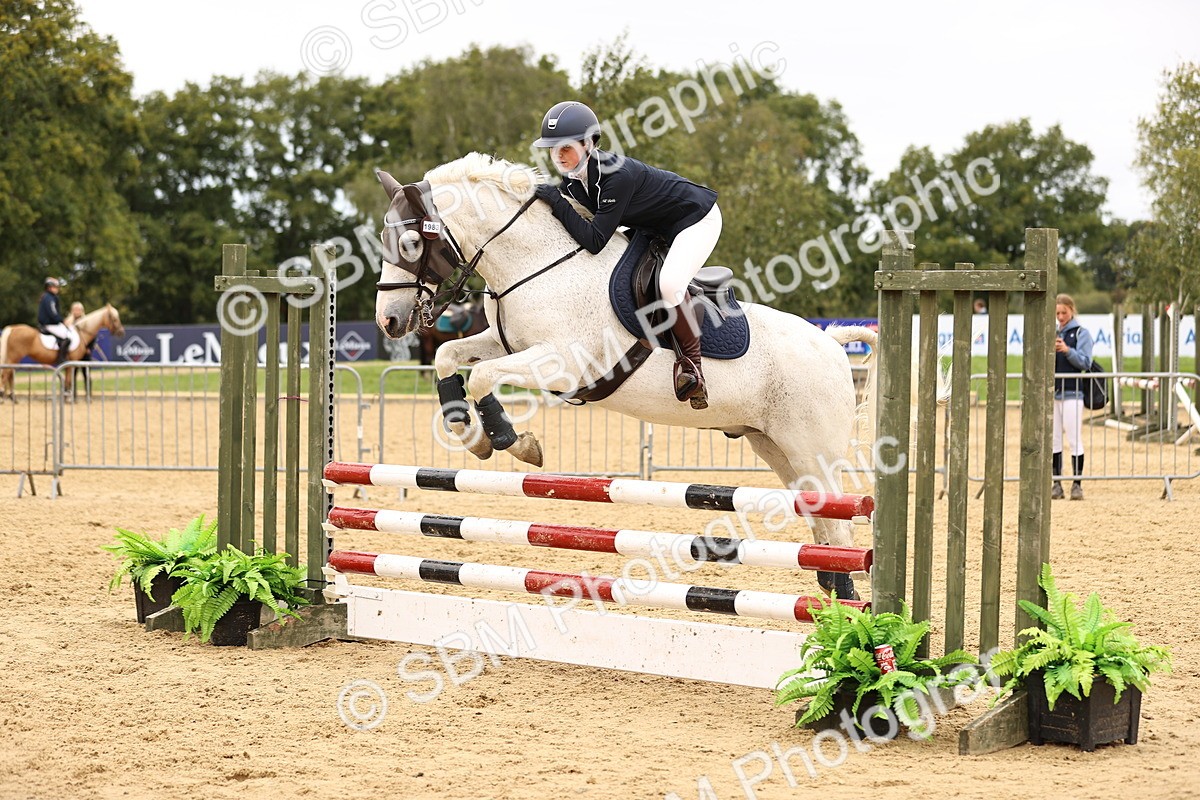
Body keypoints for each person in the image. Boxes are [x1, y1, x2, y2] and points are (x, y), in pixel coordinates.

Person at [530, 101, 720, 410]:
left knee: (670, 284)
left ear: (589, 144)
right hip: (653, 226)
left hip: (695, 219)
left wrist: (556, 201)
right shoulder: (574, 183)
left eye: (565, 147)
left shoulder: (615, 175)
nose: (558, 156)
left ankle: (691, 366)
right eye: (552, 149)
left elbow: (594, 240)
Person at [1053, 293, 1093, 500]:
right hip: (1054, 393)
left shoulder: (1081, 333)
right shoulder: (1052, 331)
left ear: (1071, 311)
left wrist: (1067, 351)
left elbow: (1085, 362)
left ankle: (1077, 483)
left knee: (1074, 438)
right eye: (1057, 313)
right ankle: (1056, 482)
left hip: (1073, 392)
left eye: (1063, 312)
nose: (1060, 316)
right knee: (1055, 439)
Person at [37, 277, 72, 365]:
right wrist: (62, 320)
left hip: (48, 323)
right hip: (49, 324)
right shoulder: (49, 298)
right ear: (50, 287)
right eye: (56, 287)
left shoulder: (46, 296)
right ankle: (61, 359)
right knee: (66, 337)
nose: (58, 289)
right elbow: (53, 313)